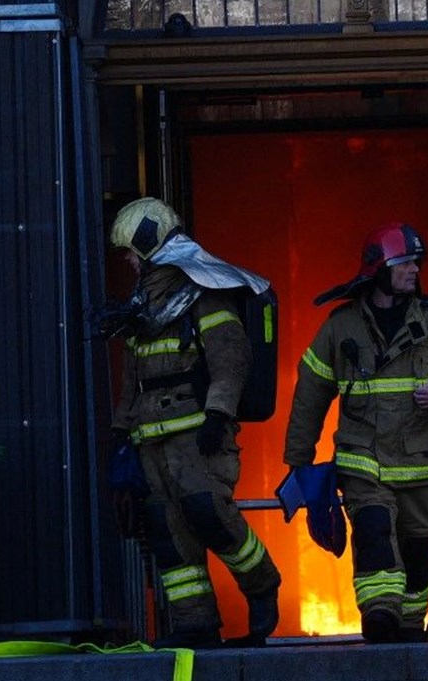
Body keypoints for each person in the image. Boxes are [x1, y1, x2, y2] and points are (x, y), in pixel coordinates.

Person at [283, 222, 428, 644]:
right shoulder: (341, 327)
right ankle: (379, 621)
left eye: (417, 262)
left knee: (417, 555)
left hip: (422, 468)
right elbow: (310, 393)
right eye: (405, 263)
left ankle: (409, 631)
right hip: (365, 464)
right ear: (379, 269)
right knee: (374, 534)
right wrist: (298, 461)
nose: (415, 270)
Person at [108, 196, 281, 649]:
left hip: (196, 435)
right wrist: (121, 432)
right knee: (167, 534)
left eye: (131, 251)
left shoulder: (203, 294)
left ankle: (262, 585)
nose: (127, 260)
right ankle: (195, 625)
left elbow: (232, 360)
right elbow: (132, 380)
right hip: (150, 441)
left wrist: (219, 414)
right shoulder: (138, 310)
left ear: (151, 244)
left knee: (210, 516)